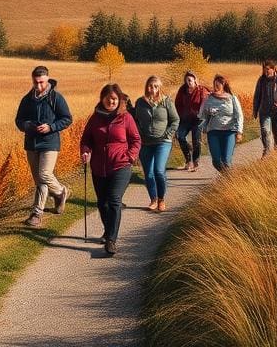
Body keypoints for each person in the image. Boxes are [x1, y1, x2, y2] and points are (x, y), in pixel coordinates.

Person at [80, 84, 141, 255]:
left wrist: (130, 156)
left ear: (119, 99)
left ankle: (111, 240)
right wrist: (85, 151)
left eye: (114, 99)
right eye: (108, 99)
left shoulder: (126, 118)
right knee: (102, 203)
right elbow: (86, 139)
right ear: (102, 99)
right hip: (99, 166)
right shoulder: (95, 118)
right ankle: (108, 231)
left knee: (114, 199)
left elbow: (136, 139)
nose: (111, 101)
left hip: (120, 165)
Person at [14, 65, 73, 228]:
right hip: (31, 143)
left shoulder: (56, 98)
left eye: (41, 82)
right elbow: (18, 120)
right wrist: (27, 125)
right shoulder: (27, 100)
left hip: (50, 143)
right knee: (39, 179)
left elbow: (67, 118)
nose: (39, 86)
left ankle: (38, 212)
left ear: (48, 80)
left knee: (44, 174)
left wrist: (51, 127)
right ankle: (60, 193)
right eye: (36, 82)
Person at [134, 75, 179, 212]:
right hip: (146, 143)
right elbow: (135, 120)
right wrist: (139, 134)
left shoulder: (166, 102)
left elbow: (175, 120)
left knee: (159, 171)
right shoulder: (140, 102)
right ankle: (153, 199)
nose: (152, 89)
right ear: (146, 87)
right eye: (150, 86)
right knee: (148, 174)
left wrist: (168, 134)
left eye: (155, 86)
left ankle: (161, 199)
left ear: (159, 88)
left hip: (163, 142)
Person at [199, 74, 244, 171]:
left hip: (229, 132)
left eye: (218, 85)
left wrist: (239, 132)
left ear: (223, 86)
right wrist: (208, 111)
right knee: (216, 161)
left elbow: (239, 115)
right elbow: (201, 115)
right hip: (213, 132)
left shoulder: (232, 98)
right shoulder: (208, 98)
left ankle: (229, 182)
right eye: (214, 85)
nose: (215, 88)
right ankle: (227, 178)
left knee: (226, 161)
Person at [252, 60, 277, 157]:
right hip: (264, 111)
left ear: (273, 69)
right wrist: (255, 110)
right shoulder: (261, 80)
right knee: (265, 131)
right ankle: (267, 152)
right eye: (264, 70)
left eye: (268, 70)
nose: (266, 72)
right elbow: (257, 96)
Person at [174, 71, 209, 171]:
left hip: (198, 119)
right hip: (185, 119)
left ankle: (196, 161)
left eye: (190, 80)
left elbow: (206, 103)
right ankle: (188, 160)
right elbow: (178, 104)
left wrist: (202, 115)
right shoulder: (182, 90)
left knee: (196, 139)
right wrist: (180, 115)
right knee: (180, 136)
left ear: (195, 80)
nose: (188, 82)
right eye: (186, 80)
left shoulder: (201, 90)